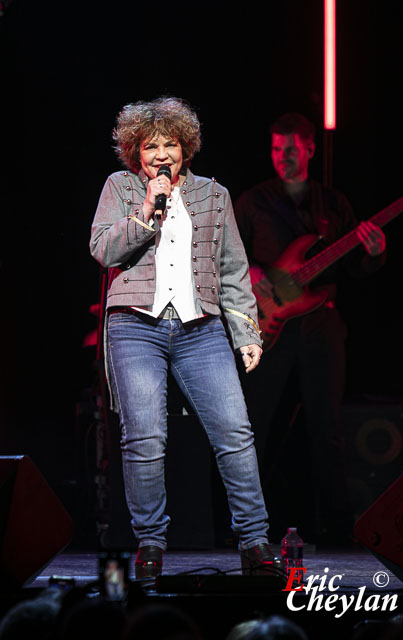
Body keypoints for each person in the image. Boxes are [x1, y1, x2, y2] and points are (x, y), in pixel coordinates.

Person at [90, 96, 281, 578]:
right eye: (150, 145)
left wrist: (246, 333)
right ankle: (150, 545)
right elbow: (102, 250)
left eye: (170, 144)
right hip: (135, 326)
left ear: (185, 149)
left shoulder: (214, 195)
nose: (161, 154)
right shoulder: (120, 187)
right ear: (135, 152)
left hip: (201, 329)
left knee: (235, 433)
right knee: (146, 438)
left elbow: (234, 269)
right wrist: (146, 209)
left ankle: (255, 544)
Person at [234, 112, 386, 546]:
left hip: (320, 322)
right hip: (268, 323)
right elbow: (223, 256)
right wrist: (251, 272)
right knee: (254, 425)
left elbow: (357, 266)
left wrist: (374, 252)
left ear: (310, 150)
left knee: (326, 427)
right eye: (277, 149)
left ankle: (340, 532)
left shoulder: (333, 204)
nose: (283, 157)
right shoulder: (252, 201)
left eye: (292, 149)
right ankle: (248, 530)